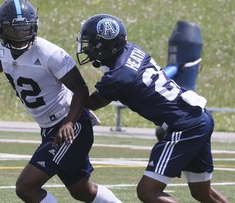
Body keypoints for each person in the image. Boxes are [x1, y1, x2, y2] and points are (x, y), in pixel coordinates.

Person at [0, 0, 122, 203]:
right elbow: (6, 57)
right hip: (49, 126)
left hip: (68, 125)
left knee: (26, 187)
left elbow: (81, 90)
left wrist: (69, 122)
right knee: (82, 190)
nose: (20, 37)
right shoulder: (1, 47)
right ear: (1, 30)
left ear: (34, 27)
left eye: (25, 30)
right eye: (14, 31)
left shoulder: (49, 54)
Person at [76, 14, 229, 203]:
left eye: (91, 43)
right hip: (199, 115)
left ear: (105, 45)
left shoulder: (118, 77)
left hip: (185, 125)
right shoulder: (132, 49)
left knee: (148, 191)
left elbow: (92, 103)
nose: (87, 48)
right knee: (202, 192)